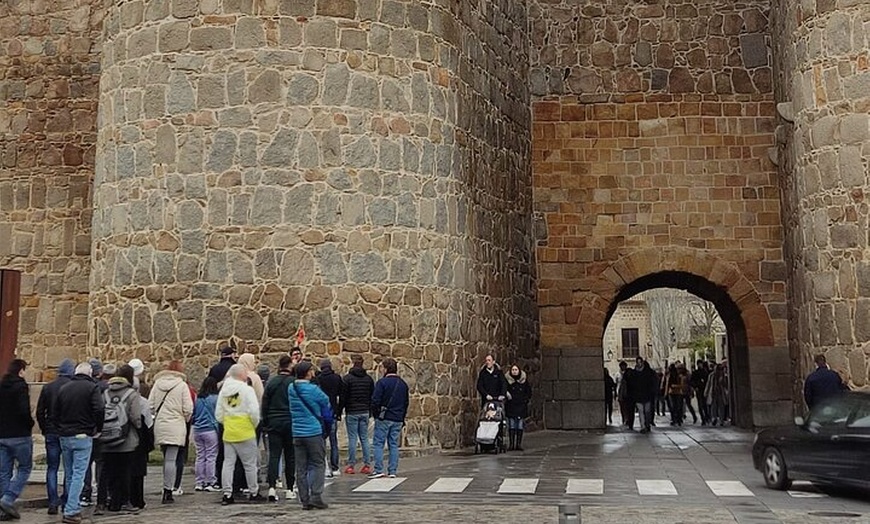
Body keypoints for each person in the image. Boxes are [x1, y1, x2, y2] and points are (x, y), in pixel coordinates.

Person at [54, 362, 105, 524]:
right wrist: (97, 428)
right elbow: (99, 409)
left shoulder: (64, 388)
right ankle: (71, 510)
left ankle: (71, 505)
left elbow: (54, 413)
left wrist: (59, 428)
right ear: (89, 373)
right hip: (83, 434)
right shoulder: (91, 388)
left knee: (69, 473)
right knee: (78, 474)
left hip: (65, 435)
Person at [216, 364, 263, 505]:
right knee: (249, 464)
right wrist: (253, 424)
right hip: (245, 429)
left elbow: (218, 414)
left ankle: (227, 493)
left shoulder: (224, 391)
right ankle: (253, 491)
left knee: (228, 463)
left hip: (229, 430)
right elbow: (254, 412)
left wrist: (227, 423)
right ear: (242, 375)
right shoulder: (247, 390)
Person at [99, 365, 142, 514]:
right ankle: (125, 502)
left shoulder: (104, 394)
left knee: (107, 472)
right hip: (126, 440)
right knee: (124, 472)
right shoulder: (132, 394)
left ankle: (105, 502)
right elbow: (136, 418)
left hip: (106, 439)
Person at [148, 361, 193, 504]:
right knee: (171, 459)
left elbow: (151, 406)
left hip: (161, 424)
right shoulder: (182, 386)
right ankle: (169, 489)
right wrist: (184, 419)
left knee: (166, 457)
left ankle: (166, 486)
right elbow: (188, 408)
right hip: (176, 424)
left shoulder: (157, 385)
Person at [289, 362, 331, 510]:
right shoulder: (313, 389)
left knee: (301, 467)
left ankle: (304, 499)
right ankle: (316, 495)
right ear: (308, 373)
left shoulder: (291, 388)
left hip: (297, 431)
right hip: (312, 430)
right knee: (318, 463)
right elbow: (326, 401)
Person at [36, 358, 75, 515]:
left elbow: (40, 412)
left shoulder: (48, 387)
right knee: (68, 468)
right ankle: (66, 500)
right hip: (67, 430)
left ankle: (52, 502)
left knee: (52, 467)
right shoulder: (72, 387)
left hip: (51, 431)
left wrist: (45, 428)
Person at [0, 359, 34, 521]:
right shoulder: (21, 386)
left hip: (2, 435)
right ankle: (8, 498)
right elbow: (23, 410)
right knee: (25, 467)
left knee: (4, 471)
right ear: (21, 371)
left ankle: (3, 506)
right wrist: (30, 424)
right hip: (20, 435)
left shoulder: (2, 386)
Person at [262, 355, 296, 502]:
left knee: (274, 456)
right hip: (290, 422)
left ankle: (272, 487)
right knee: (290, 457)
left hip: (274, 423)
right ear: (289, 366)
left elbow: (265, 404)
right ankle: (289, 489)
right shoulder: (293, 383)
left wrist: (266, 423)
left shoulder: (271, 383)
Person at [369, 358, 409, 479]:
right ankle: (392, 470)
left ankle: (379, 469)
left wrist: (376, 414)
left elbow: (375, 400)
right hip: (397, 418)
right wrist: (402, 417)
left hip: (384, 417)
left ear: (386, 369)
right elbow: (406, 402)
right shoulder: (403, 384)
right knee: (393, 444)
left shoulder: (382, 383)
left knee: (378, 443)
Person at [340, 354, 374, 475]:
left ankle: (351, 465)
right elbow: (371, 396)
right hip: (364, 411)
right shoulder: (368, 379)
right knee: (364, 438)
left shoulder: (347, 379)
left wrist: (340, 410)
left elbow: (343, 397)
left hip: (352, 411)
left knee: (352, 438)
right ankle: (367, 464)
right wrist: (370, 410)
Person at [129, 377, 154, 511]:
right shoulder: (143, 402)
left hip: (123, 437)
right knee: (138, 472)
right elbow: (148, 423)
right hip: (139, 439)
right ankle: (138, 499)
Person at [192, 377, 220, 492]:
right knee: (211, 456)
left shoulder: (198, 399)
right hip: (210, 429)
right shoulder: (215, 399)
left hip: (198, 430)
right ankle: (210, 481)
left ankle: (199, 482)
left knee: (200, 456)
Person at [316, 358, 343, 478]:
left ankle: (325, 466)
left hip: (321, 412)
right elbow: (341, 394)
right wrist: (339, 410)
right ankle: (335, 466)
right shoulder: (336, 378)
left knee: (321, 440)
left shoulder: (319, 379)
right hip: (333, 411)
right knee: (333, 441)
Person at [627, 357, 657, 433]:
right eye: (638, 362)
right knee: (640, 411)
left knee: (647, 411)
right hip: (638, 395)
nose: (639, 364)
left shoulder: (648, 372)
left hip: (647, 395)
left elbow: (652, 383)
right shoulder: (634, 373)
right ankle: (643, 426)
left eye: (640, 362)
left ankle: (647, 424)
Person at [504, 365, 531, 451]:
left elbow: (528, 391)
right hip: (511, 405)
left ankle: (518, 444)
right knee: (511, 424)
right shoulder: (507, 380)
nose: (514, 371)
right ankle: (511, 444)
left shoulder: (523, 381)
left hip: (521, 405)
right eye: (513, 370)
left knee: (519, 425)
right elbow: (504, 389)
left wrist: (525, 400)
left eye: (516, 370)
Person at [690, 360, 710, 425]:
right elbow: (692, 381)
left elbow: (707, 381)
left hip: (704, 390)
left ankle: (706, 417)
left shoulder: (705, 372)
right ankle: (703, 418)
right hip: (699, 390)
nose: (700, 365)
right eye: (699, 364)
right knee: (700, 405)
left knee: (704, 405)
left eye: (700, 364)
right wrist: (695, 387)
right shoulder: (695, 372)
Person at [616, 361, 634, 430]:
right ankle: (624, 419)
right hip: (620, 392)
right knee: (622, 407)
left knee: (627, 407)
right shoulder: (618, 374)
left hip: (627, 393)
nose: (623, 367)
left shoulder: (629, 373)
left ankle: (627, 419)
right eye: (622, 366)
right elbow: (616, 383)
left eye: (624, 366)